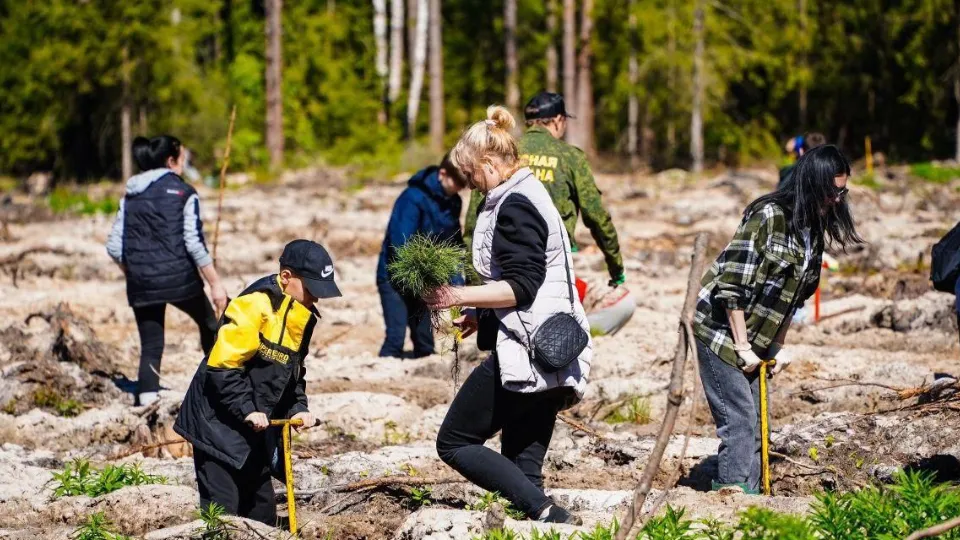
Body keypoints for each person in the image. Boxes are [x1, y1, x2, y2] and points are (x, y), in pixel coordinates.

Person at [424, 106, 591, 525]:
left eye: (470, 174)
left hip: (529, 351)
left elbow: (521, 286)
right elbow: (524, 278)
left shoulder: (516, 205)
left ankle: (545, 511)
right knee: (524, 475)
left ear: (489, 163)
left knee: (455, 441)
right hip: (552, 350)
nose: (469, 184)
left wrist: (455, 295)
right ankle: (550, 520)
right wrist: (480, 314)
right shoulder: (527, 192)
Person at [694, 145, 861, 493]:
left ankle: (752, 496)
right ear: (813, 184)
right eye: (832, 191)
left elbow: (795, 296)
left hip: (756, 337)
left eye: (842, 192)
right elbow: (731, 286)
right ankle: (730, 496)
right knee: (739, 418)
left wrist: (776, 345)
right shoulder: (768, 217)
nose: (837, 200)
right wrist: (742, 346)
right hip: (720, 330)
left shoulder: (812, 232)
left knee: (758, 424)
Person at [174, 240, 341, 526]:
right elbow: (222, 368)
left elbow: (292, 373)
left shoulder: (300, 315)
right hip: (217, 426)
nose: (316, 298)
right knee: (224, 518)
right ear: (286, 277)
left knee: (262, 515)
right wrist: (247, 409)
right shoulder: (252, 305)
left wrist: (298, 408)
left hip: (254, 431)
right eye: (312, 289)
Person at [106, 135, 228, 406]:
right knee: (210, 324)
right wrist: (215, 284)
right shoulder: (184, 192)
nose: (184, 164)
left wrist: (133, 272)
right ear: (171, 160)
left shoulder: (130, 195)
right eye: (183, 158)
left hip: (141, 282)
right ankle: (221, 385)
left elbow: (113, 246)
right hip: (180, 279)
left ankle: (147, 403)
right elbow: (194, 244)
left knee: (151, 345)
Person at [464, 92, 625, 288]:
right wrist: (616, 269)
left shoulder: (501, 150)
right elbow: (596, 215)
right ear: (557, 120)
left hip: (500, 267)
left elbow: (474, 221)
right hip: (552, 266)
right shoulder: (570, 157)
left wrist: (474, 286)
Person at [376, 155, 467, 358]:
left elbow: (451, 244)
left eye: (464, 185)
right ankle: (385, 369)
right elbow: (400, 244)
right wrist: (424, 269)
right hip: (394, 276)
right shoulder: (412, 198)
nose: (459, 188)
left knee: (425, 344)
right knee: (395, 338)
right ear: (442, 173)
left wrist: (457, 287)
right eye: (457, 183)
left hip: (424, 279)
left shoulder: (454, 202)